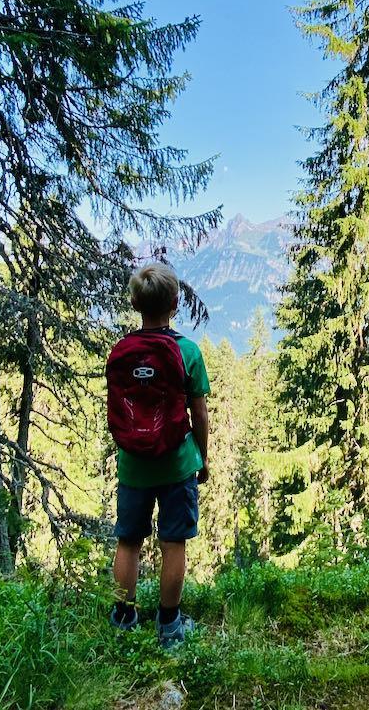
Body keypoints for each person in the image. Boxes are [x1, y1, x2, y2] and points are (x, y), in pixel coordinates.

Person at [107, 263, 210, 648]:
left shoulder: (122, 352)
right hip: (176, 463)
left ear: (135, 303)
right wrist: (202, 458)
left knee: (128, 541)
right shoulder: (188, 351)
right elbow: (199, 414)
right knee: (173, 544)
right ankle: (169, 626)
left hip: (133, 463)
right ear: (175, 303)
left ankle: (123, 618)